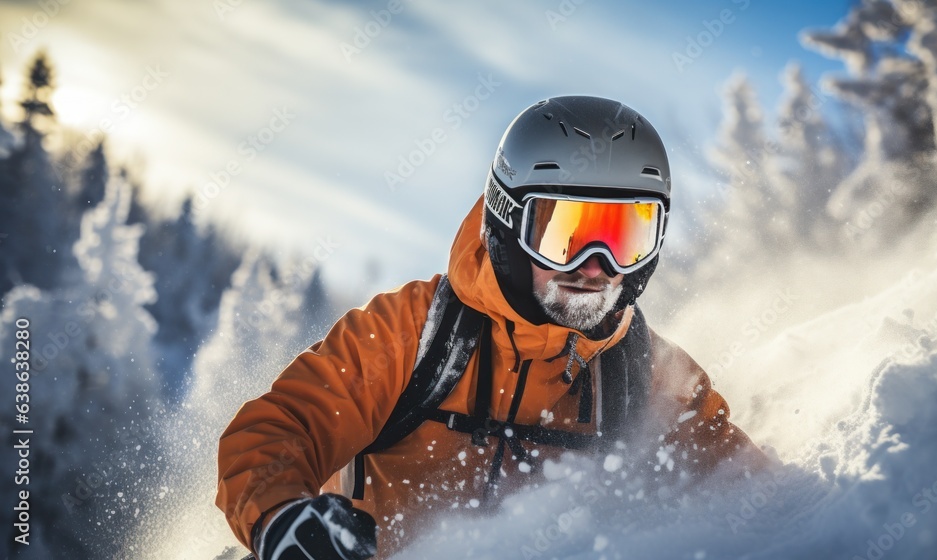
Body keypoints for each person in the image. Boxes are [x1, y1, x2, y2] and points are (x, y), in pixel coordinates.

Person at [216, 95, 767, 560]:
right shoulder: (416, 334)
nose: (596, 266)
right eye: (566, 234)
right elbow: (279, 429)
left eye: (626, 238)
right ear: (507, 222)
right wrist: (283, 519)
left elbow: (761, 502)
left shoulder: (647, 376)